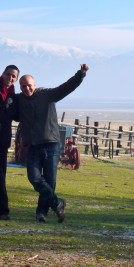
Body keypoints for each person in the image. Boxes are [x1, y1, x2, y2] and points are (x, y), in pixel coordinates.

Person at [18, 64, 89, 223]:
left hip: (51, 144)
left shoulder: (47, 95)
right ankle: (57, 203)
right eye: (23, 86)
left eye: (29, 85)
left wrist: (81, 74)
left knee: (50, 180)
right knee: (34, 177)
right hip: (33, 146)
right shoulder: (19, 100)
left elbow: (66, 87)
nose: (26, 88)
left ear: (34, 85)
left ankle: (41, 213)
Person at [0, 65, 20, 220]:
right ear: (3, 74)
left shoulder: (14, 96)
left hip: (2, 139)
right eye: (8, 75)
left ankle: (3, 210)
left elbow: (18, 116)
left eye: (14, 76)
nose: (10, 78)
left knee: (1, 175)